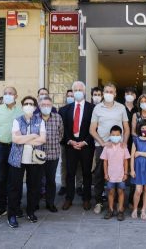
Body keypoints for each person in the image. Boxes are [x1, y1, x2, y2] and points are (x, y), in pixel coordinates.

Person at [90, 82, 130, 214]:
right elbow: (92, 129)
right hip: (102, 147)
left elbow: (127, 128)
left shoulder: (121, 108)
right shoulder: (97, 108)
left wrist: (124, 143)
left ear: (115, 94)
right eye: (106, 91)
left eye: (111, 92)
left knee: (119, 173)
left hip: (118, 147)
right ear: (103, 93)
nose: (108, 94)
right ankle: (99, 202)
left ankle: (118, 203)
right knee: (100, 174)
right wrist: (102, 143)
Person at [7, 96, 46, 228]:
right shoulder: (17, 120)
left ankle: (30, 212)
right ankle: (12, 215)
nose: (29, 106)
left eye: (31, 104)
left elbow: (42, 140)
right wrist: (33, 136)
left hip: (34, 160)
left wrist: (25, 138)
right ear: (22, 106)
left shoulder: (40, 121)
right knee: (14, 188)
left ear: (35, 107)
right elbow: (16, 140)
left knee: (33, 187)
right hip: (17, 159)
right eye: (26, 103)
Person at [0, 87, 23, 220]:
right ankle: (1, 207)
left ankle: (15, 207)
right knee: (1, 179)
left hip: (16, 148)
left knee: (16, 179)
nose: (7, 96)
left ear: (16, 96)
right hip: (1, 147)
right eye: (5, 93)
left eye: (10, 93)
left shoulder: (20, 111)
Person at [62, 81, 95, 211]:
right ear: (72, 91)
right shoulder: (65, 109)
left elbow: (95, 128)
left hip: (86, 145)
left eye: (80, 90)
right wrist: (69, 141)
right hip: (70, 146)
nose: (78, 92)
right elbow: (62, 129)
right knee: (70, 173)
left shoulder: (92, 108)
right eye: (75, 90)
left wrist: (85, 141)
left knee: (87, 173)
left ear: (85, 92)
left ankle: (86, 199)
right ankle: (68, 199)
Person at [39, 97, 64, 212]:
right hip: (37, 155)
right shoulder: (35, 118)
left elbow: (61, 134)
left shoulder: (57, 117)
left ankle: (50, 203)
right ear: (39, 105)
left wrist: (52, 141)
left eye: (48, 105)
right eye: (43, 105)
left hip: (53, 154)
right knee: (37, 180)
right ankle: (35, 203)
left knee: (51, 180)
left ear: (52, 105)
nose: (46, 107)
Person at [57, 89, 83, 197]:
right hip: (66, 142)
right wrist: (67, 140)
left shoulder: (82, 108)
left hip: (80, 141)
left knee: (79, 165)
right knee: (65, 164)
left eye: (72, 95)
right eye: (69, 96)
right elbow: (61, 127)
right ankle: (64, 185)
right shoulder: (62, 110)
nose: (71, 97)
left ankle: (79, 186)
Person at [102, 125, 130, 221]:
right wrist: (105, 174)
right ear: (110, 135)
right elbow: (105, 161)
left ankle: (120, 210)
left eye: (117, 135)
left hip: (121, 175)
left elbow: (126, 161)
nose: (115, 136)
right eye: (113, 134)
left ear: (120, 136)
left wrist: (126, 173)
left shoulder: (123, 146)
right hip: (110, 175)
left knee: (121, 191)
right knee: (110, 192)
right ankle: (110, 210)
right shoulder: (107, 147)